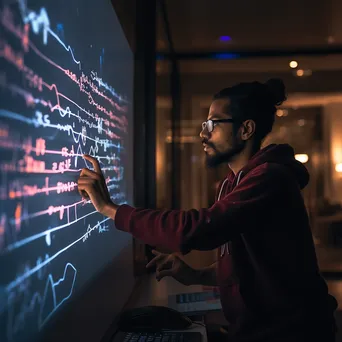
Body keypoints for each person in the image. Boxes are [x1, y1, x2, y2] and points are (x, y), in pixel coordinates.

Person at [77, 79, 338, 342]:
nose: (203, 134)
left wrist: (110, 209)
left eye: (213, 124)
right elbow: (246, 266)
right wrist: (195, 275)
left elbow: (198, 228)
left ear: (246, 129)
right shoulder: (231, 183)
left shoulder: (270, 178)